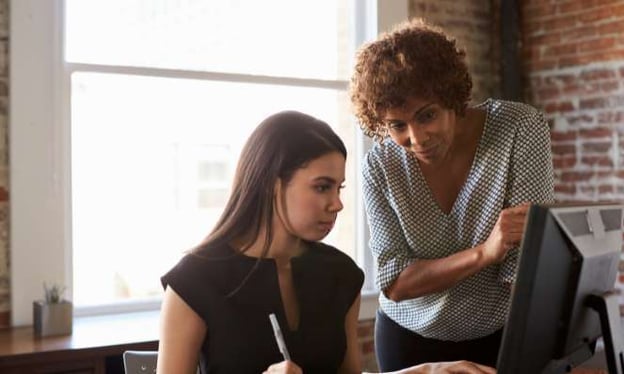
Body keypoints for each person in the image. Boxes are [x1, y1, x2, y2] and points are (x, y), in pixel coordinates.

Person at [157, 110, 497, 374]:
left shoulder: (340, 274)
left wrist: (425, 370)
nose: (336, 204)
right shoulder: (193, 283)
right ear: (272, 184)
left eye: (339, 188)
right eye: (322, 187)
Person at [348, 18, 555, 371]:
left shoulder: (519, 129)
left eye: (426, 115)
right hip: (407, 340)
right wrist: (485, 253)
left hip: (499, 336)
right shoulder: (379, 166)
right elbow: (394, 282)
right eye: (398, 125)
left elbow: (523, 267)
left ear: (452, 96)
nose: (417, 139)